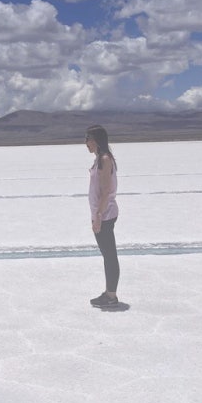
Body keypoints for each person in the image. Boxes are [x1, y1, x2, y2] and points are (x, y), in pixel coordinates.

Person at [85, 125, 121, 309]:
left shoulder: (105, 159)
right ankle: (109, 293)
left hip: (105, 215)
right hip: (101, 214)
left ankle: (111, 296)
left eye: (88, 139)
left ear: (97, 140)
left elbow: (106, 191)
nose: (86, 143)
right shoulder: (100, 159)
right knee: (107, 255)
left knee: (109, 256)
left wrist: (98, 215)